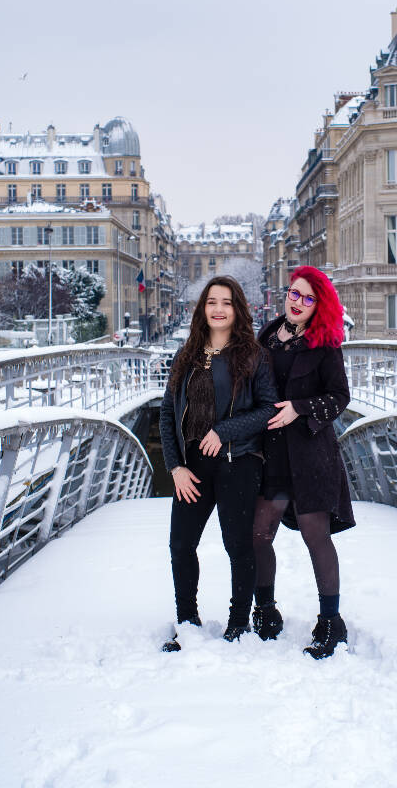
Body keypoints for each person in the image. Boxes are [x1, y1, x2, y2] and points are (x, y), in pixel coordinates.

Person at [159, 277, 277, 650]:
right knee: (181, 544)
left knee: (237, 545)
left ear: (237, 308)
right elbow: (167, 413)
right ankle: (187, 621)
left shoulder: (253, 356)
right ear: (202, 308)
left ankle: (238, 624)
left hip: (237, 460)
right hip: (193, 466)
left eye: (226, 302)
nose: (219, 309)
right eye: (212, 302)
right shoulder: (187, 354)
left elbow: (267, 410)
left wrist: (225, 430)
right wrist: (175, 466)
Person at [253, 266, 354, 659]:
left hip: (312, 453)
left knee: (316, 537)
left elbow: (339, 396)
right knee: (259, 535)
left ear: (319, 306)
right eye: (294, 294)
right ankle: (265, 610)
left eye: (308, 299)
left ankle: (331, 621)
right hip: (272, 454)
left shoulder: (326, 344)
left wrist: (300, 408)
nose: (297, 302)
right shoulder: (267, 337)